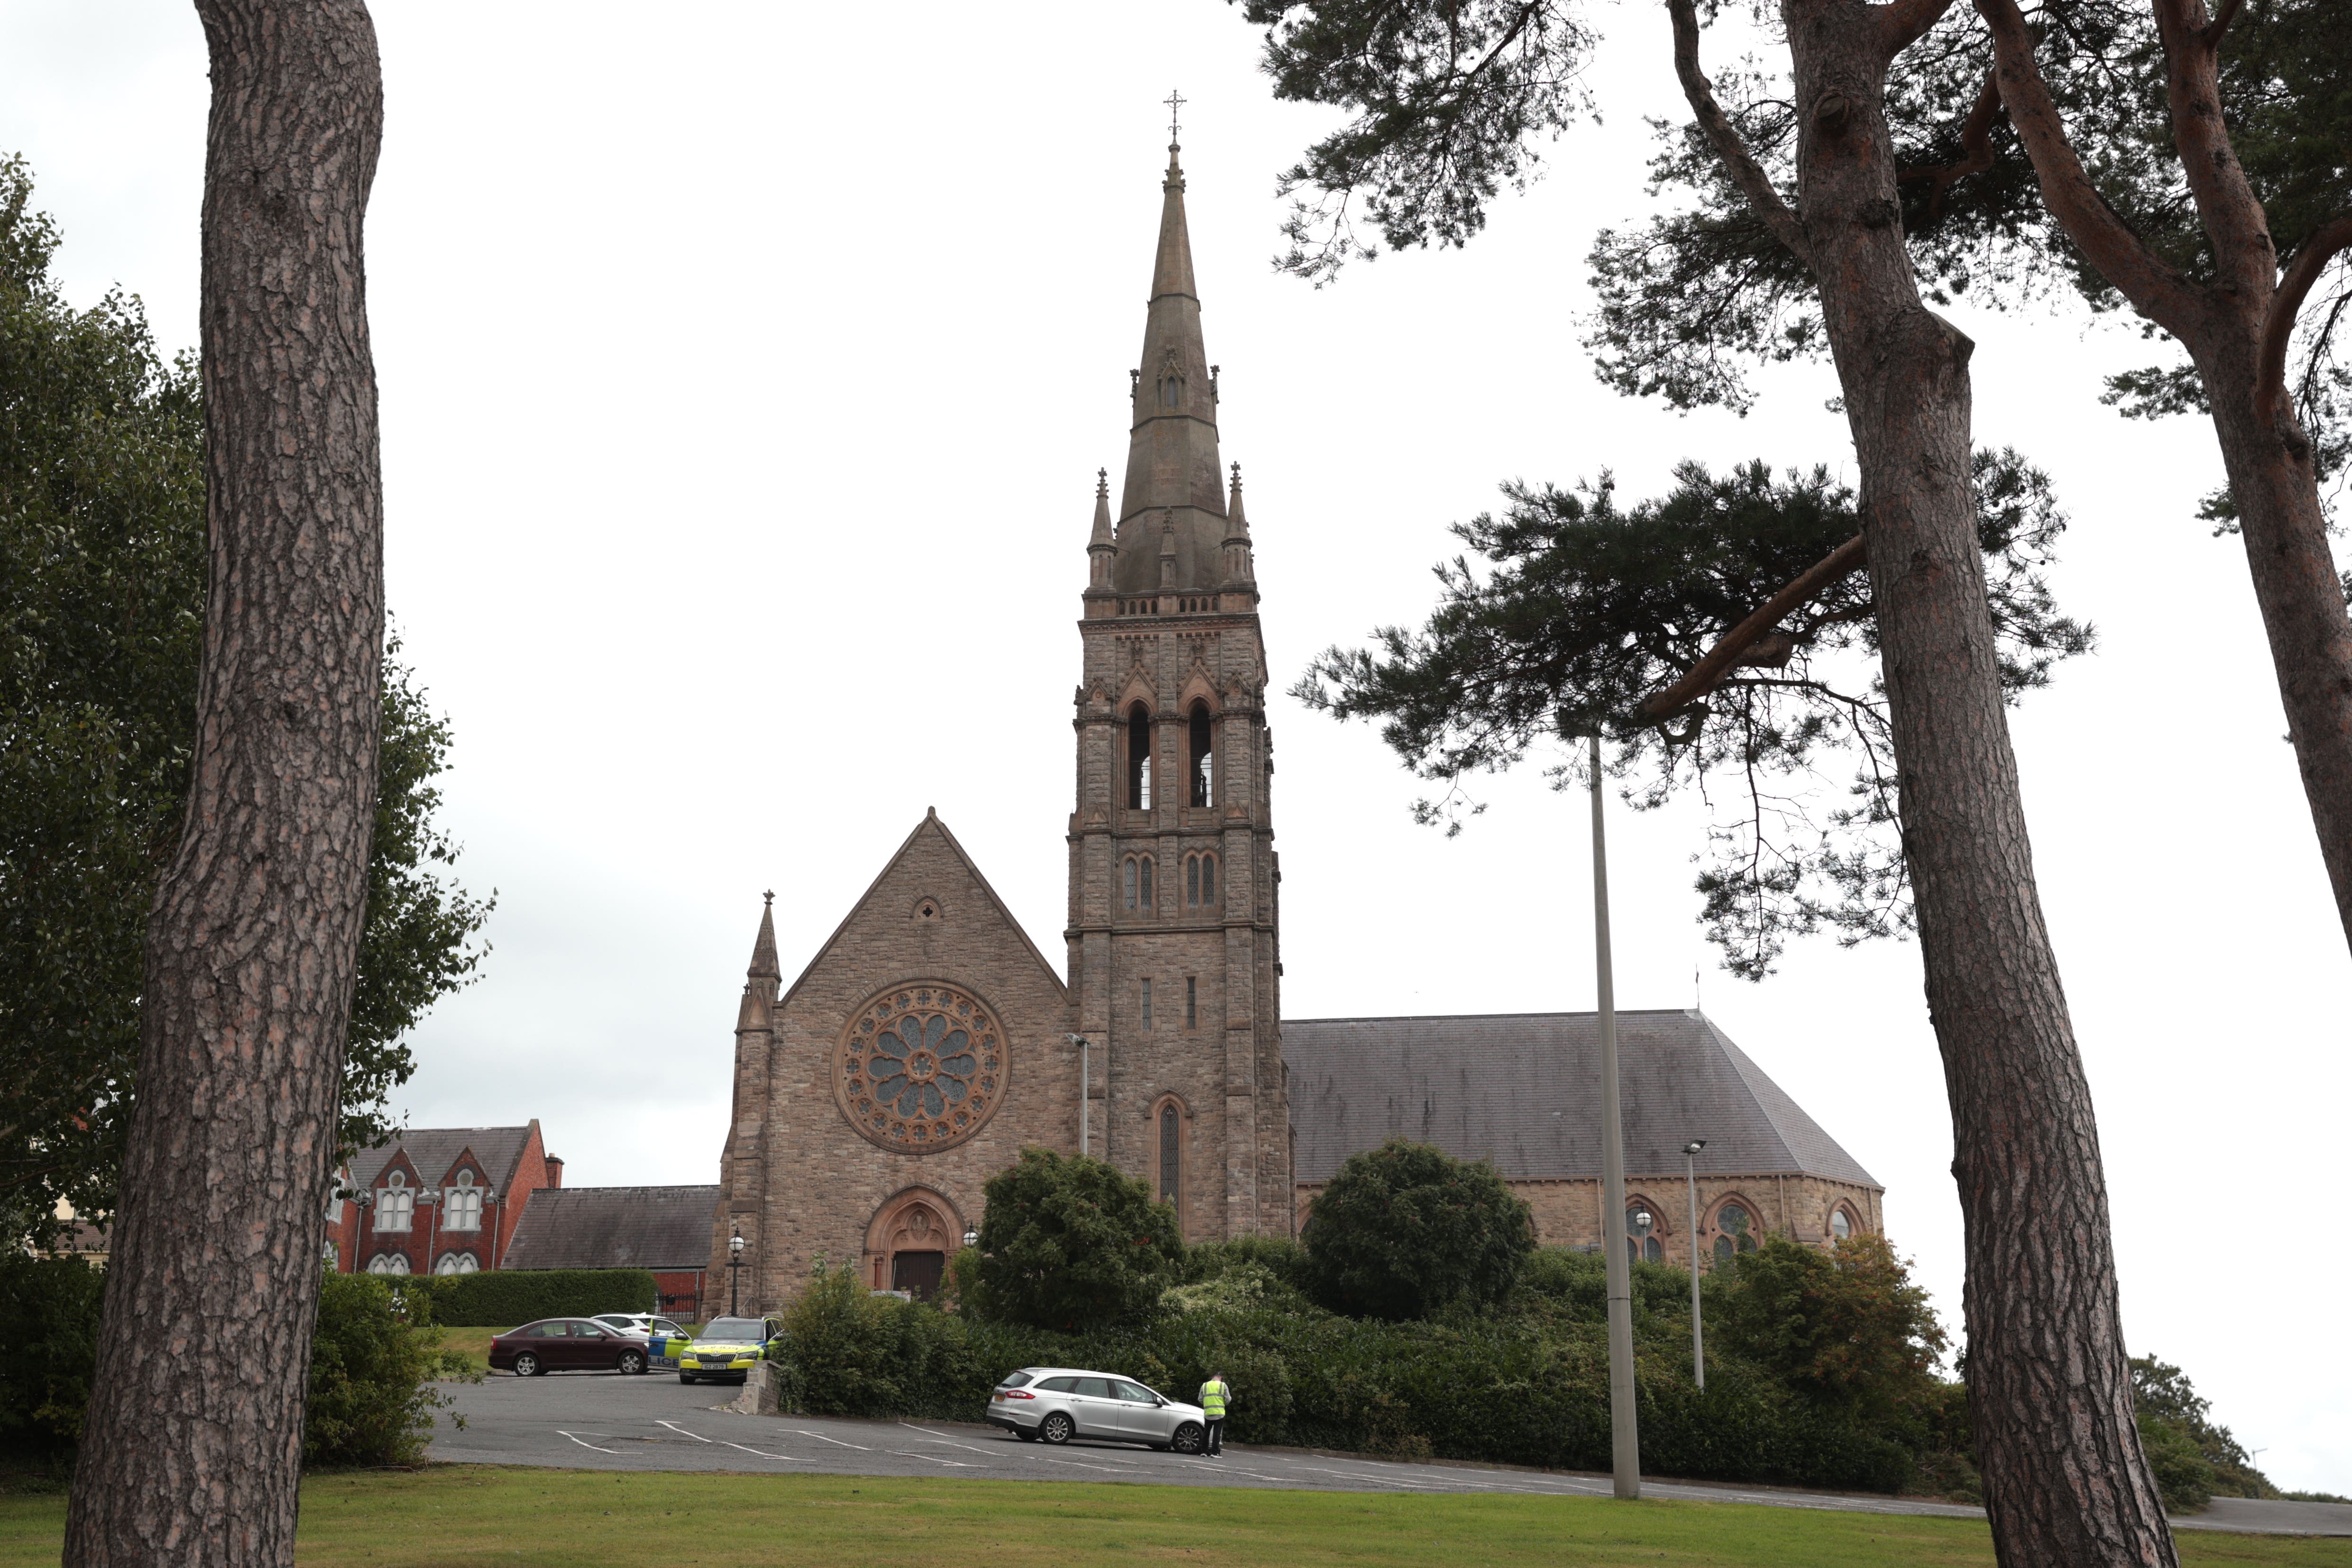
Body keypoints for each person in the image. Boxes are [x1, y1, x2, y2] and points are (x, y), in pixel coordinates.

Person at [1198, 1370, 1232, 1456]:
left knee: (1206, 1432)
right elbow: (1228, 1399)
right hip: (1219, 1413)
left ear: (1212, 1377)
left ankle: (1204, 1452)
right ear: (1220, 1378)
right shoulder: (1223, 1385)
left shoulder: (1205, 1385)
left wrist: (1207, 1404)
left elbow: (1200, 1399)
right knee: (1217, 1433)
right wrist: (1224, 1403)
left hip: (1208, 1412)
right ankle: (1214, 1453)